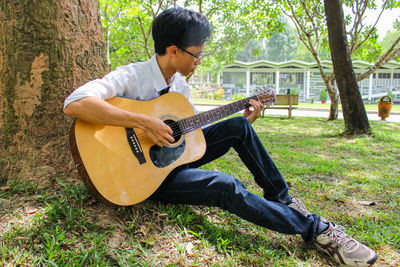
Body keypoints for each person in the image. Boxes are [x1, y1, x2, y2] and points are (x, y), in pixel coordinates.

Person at [64, 7, 377, 267]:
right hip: (145, 179)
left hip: (175, 163)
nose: (199, 61)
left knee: (238, 128)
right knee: (225, 185)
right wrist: (142, 121)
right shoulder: (130, 76)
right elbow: (75, 103)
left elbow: (192, 140)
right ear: (173, 51)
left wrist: (246, 118)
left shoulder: (180, 91)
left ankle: (284, 201)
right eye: (196, 55)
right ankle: (318, 230)